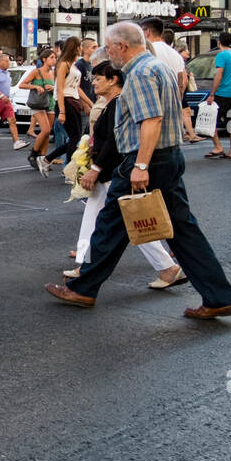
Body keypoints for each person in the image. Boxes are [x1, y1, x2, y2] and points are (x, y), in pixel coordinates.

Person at [47, 22, 231, 319]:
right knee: (181, 230)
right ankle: (219, 297)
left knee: (111, 224)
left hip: (146, 160)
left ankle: (84, 288)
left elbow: (151, 120)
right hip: (167, 157)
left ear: (122, 46)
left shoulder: (138, 73)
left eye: (110, 47)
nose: (108, 53)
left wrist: (140, 165)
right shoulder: (157, 66)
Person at [63, 56, 185, 289]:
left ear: (113, 80)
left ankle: (85, 268)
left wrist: (96, 168)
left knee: (129, 221)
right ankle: (166, 268)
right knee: (124, 221)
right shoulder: (113, 103)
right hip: (111, 172)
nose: (94, 83)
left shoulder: (118, 103)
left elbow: (113, 142)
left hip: (113, 172)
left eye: (98, 78)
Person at [43, 37, 87, 170]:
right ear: (75, 47)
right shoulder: (63, 64)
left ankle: (47, 159)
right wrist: (62, 111)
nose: (82, 48)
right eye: (80, 45)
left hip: (74, 101)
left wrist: (89, 103)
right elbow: (59, 88)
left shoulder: (73, 64)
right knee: (74, 138)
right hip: (66, 102)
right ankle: (68, 168)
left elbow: (76, 88)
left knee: (76, 138)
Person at [18, 47, 58, 174]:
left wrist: (53, 87)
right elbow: (22, 84)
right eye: (52, 58)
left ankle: (43, 159)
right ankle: (33, 154)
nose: (54, 60)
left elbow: (59, 87)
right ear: (44, 59)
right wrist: (36, 86)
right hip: (38, 103)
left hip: (50, 103)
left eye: (55, 57)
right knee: (45, 129)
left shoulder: (54, 73)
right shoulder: (36, 72)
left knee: (47, 133)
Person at [207, 32, 231, 158]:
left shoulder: (221, 55)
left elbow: (219, 74)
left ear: (219, 42)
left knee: (210, 121)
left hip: (222, 93)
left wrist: (212, 93)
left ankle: (218, 146)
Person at [0, 52, 26, 149]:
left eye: (8, 60)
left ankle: (16, 141)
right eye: (6, 61)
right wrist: (1, 95)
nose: (8, 62)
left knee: (12, 120)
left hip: (7, 100)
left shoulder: (7, 72)